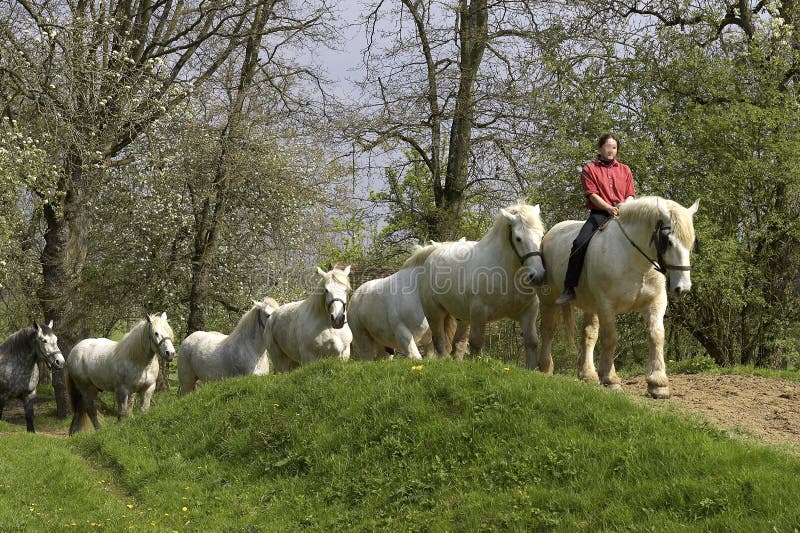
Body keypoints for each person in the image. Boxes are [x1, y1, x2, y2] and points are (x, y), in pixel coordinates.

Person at [554, 133, 636, 305]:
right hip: (599, 214)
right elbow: (591, 195)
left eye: (614, 148)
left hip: (623, 214)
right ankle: (569, 287)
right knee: (579, 244)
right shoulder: (589, 169)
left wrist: (625, 205)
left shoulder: (625, 169)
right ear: (600, 148)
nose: (611, 150)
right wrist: (608, 207)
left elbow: (630, 194)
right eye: (608, 147)